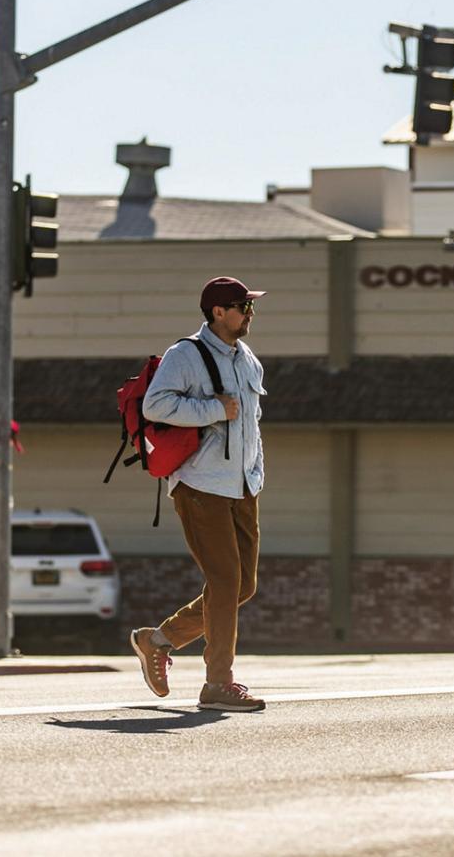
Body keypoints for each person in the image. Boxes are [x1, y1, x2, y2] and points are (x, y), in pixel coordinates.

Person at [130, 275, 268, 712]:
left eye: (251, 306)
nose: (249, 313)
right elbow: (155, 405)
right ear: (217, 313)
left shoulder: (248, 359)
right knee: (225, 581)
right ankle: (218, 684)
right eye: (242, 306)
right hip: (200, 486)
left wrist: (256, 473)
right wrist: (212, 409)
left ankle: (158, 640)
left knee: (242, 585)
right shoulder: (186, 354)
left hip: (242, 486)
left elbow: (252, 422)